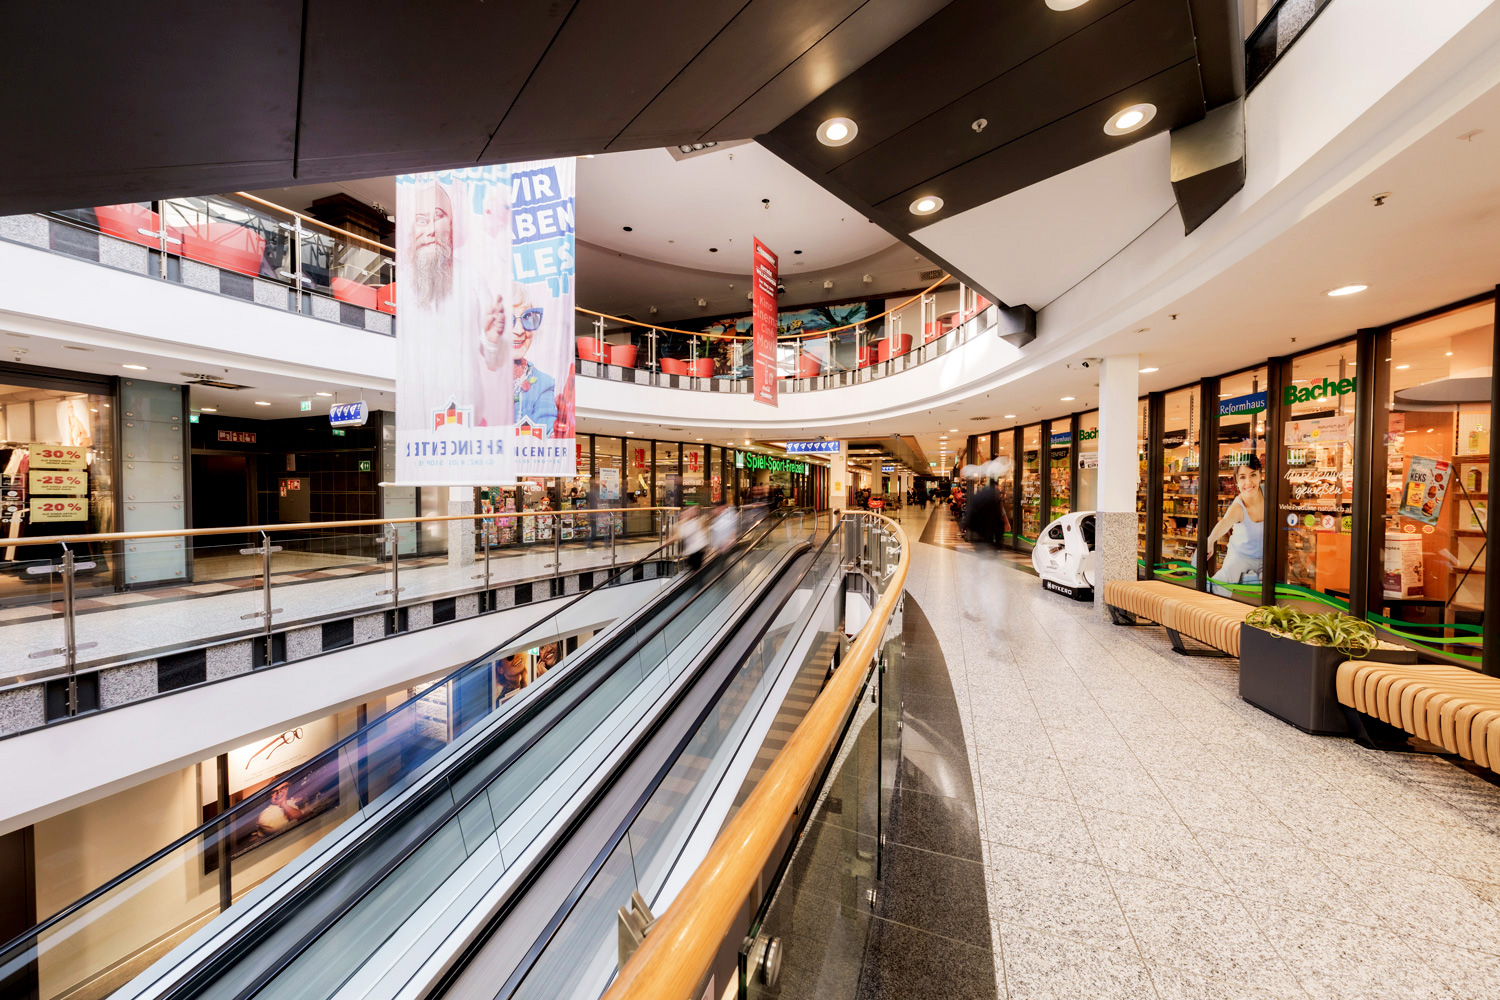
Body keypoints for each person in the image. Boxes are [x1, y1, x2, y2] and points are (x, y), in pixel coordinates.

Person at [1207, 454, 1266, 596]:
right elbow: (1224, 523)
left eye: (1253, 475)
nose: (1248, 482)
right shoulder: (1238, 507)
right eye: (1242, 477)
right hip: (1240, 556)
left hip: (1266, 557)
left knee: (1269, 590)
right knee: (1222, 584)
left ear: (1260, 475)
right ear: (1236, 481)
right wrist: (1210, 541)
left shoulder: (1270, 494)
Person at [507, 282, 559, 435]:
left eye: (527, 318)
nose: (519, 330)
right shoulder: (470, 377)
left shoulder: (543, 384)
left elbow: (545, 434)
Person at [675, 506, 709, 570]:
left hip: (697, 550)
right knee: (694, 566)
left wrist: (664, 544)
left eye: (683, 514)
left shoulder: (692, 523)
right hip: (695, 550)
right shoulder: (688, 524)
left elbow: (678, 536)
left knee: (695, 567)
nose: (681, 516)